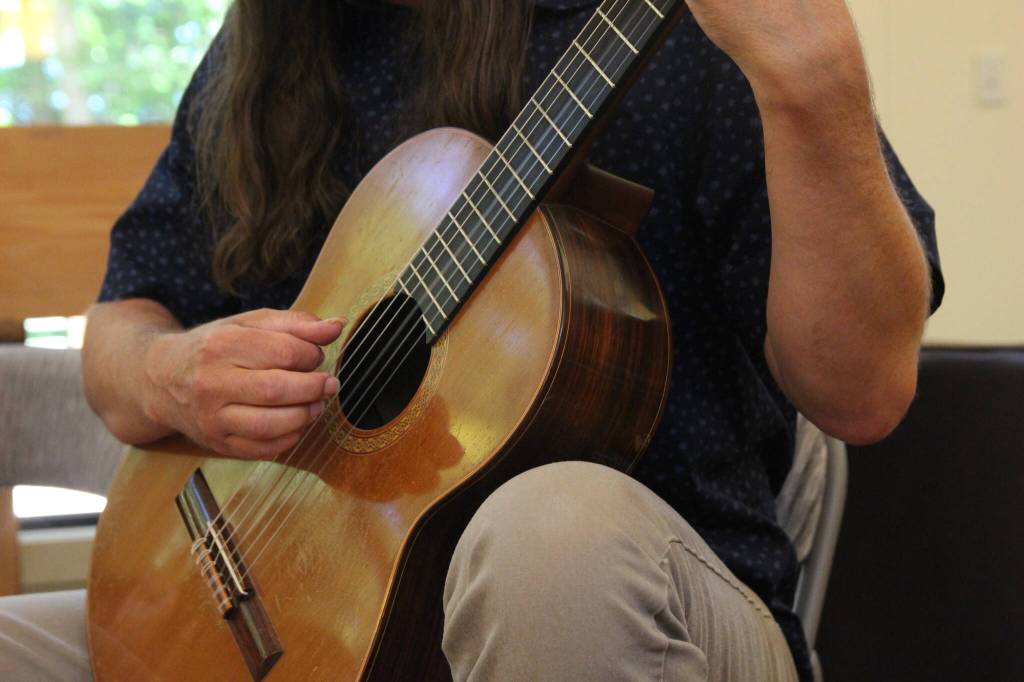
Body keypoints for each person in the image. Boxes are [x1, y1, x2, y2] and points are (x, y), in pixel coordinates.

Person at [0, 1, 943, 680]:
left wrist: (814, 83)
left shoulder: (681, 40)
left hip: (652, 619)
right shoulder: (271, 53)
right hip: (317, 620)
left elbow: (865, 394)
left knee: (546, 534)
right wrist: (172, 373)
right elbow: (123, 330)